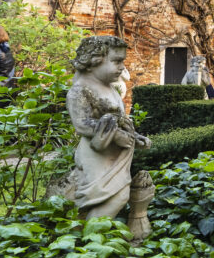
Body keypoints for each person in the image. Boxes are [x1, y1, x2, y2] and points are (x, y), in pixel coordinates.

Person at [65, 36, 151, 219]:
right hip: (96, 155)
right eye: (117, 61)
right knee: (110, 197)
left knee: (118, 195)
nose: (122, 67)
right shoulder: (80, 90)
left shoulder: (111, 88)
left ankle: (95, 235)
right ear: (94, 61)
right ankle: (92, 237)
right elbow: (81, 124)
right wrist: (117, 135)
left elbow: (119, 119)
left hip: (113, 155)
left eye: (123, 61)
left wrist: (135, 136)